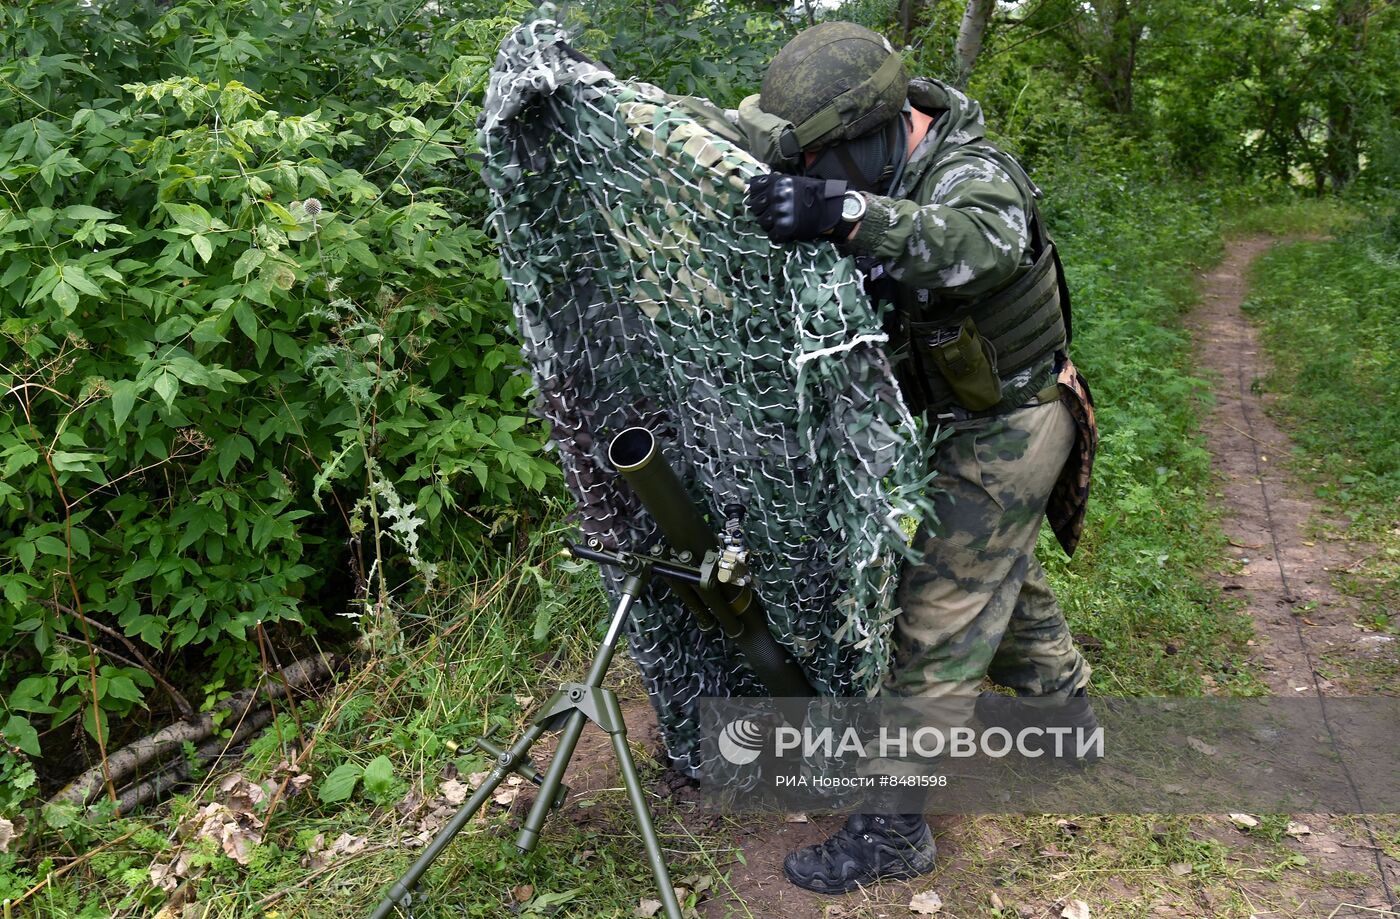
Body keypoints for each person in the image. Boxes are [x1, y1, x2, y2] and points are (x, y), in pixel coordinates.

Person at [738, 22, 1099, 894]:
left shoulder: (970, 171)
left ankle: (894, 830)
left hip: (1016, 418)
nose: (812, 177)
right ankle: (1068, 717)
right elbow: (731, 130)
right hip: (963, 413)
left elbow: (983, 241)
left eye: (822, 162)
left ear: (869, 132)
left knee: (939, 610)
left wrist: (846, 215)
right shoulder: (877, 152)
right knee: (994, 578)